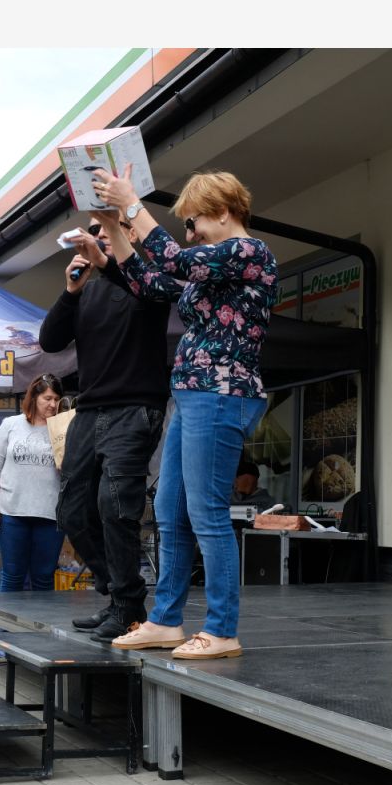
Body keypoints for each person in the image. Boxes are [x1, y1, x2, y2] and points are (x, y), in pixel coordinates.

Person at [89, 168, 277, 659]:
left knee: (207, 513)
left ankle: (222, 629)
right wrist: (112, 228)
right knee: (170, 511)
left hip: (220, 393)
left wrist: (131, 204)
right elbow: (151, 283)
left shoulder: (249, 252)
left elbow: (172, 258)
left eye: (193, 222)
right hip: (194, 396)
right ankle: (166, 620)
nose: (189, 234)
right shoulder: (215, 270)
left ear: (223, 211)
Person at [39, 214, 170, 642]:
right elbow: (49, 341)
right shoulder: (89, 290)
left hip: (135, 409)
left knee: (114, 505)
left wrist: (106, 263)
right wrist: (70, 291)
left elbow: (142, 289)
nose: (99, 236)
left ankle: (128, 606)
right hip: (90, 411)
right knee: (72, 511)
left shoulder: (148, 279)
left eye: (108, 227)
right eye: (94, 230)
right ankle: (119, 596)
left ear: (130, 233)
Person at [0, 373, 65, 592]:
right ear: (34, 397)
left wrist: (67, 461)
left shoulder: (64, 428)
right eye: (47, 398)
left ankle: (41, 618)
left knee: (44, 578)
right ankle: (5, 618)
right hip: (12, 513)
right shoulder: (11, 424)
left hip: (50, 514)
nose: (52, 404)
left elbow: (73, 472)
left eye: (56, 399)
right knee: (11, 576)